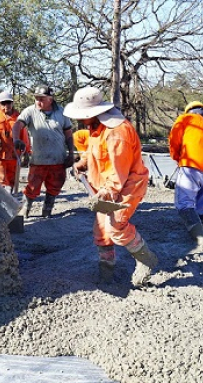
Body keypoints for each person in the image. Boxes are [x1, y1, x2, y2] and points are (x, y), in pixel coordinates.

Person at [66, 86, 158, 287]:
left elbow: (118, 173)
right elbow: (94, 153)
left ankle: (146, 259)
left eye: (83, 115)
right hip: (106, 189)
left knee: (116, 227)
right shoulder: (96, 128)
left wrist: (106, 193)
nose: (80, 120)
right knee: (101, 232)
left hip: (127, 187)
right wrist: (82, 163)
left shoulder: (117, 133)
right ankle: (106, 273)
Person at [12, 84, 75, 218]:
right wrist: (16, 139)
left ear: (50, 99)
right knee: (32, 187)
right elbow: (18, 125)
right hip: (38, 160)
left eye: (41, 99)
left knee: (55, 186)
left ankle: (47, 211)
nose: (38, 101)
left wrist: (71, 152)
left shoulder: (61, 113)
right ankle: (24, 213)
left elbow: (69, 134)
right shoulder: (30, 111)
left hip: (58, 159)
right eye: (36, 98)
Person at [168, 101, 203, 245]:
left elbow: (174, 142)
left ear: (189, 112)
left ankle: (201, 238)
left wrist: (178, 159)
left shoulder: (184, 119)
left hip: (192, 164)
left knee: (184, 205)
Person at [0, 91, 29, 190]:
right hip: (0, 154)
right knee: (2, 180)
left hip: (14, 155)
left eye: (9, 102)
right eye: (3, 103)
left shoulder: (18, 117)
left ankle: (11, 199)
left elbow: (24, 136)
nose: (6, 105)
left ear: (12, 103)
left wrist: (26, 153)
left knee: (12, 181)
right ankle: (4, 200)